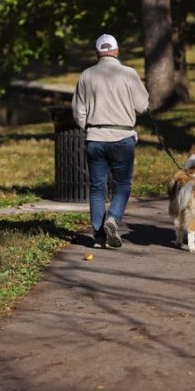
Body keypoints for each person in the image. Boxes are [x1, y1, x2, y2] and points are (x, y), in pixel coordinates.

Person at [72, 33, 150, 248]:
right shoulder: (129, 73)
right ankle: (113, 219)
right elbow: (143, 106)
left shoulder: (86, 75)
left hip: (95, 138)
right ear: (116, 51)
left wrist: (89, 128)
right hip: (122, 137)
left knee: (97, 188)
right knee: (122, 185)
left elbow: (78, 112)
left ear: (98, 53)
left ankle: (98, 237)